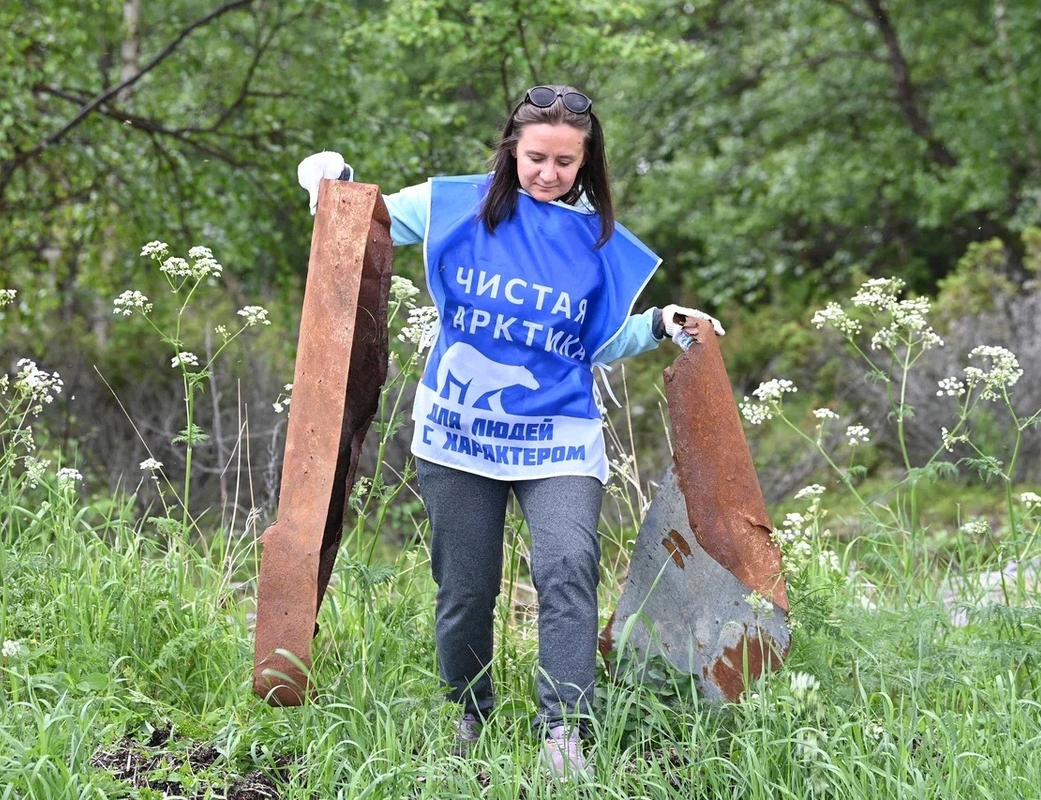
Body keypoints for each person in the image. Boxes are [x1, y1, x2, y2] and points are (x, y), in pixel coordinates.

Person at [297, 84, 723, 778]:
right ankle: (469, 711)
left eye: (565, 163)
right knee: (465, 588)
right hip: (458, 439)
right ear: (510, 149)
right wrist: (329, 184)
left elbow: (597, 342)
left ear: (587, 164)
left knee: (567, 569)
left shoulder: (597, 242)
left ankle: (563, 731)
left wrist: (657, 324)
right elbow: (362, 220)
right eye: (535, 158)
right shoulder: (450, 203)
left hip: (557, 438)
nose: (549, 174)